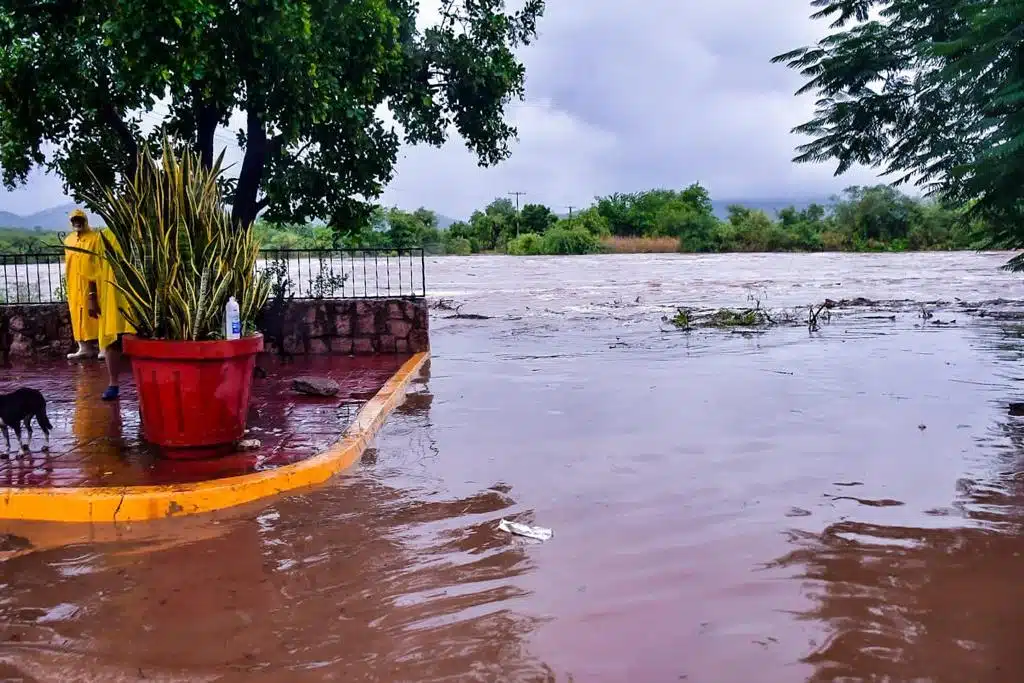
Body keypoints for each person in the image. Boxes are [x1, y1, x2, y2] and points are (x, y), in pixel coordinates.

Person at [88, 228, 135, 401]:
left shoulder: (141, 228)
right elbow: (92, 269)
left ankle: (142, 385)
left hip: (137, 297)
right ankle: (113, 384)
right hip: (110, 296)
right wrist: (92, 297)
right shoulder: (104, 235)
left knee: (138, 340)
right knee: (111, 341)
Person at [63, 208, 101, 360]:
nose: (77, 223)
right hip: (74, 283)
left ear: (85, 221)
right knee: (77, 314)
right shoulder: (68, 240)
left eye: (79, 220)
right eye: (74, 220)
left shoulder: (95, 238)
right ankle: (84, 347)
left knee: (96, 313)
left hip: (91, 282)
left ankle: (103, 346)